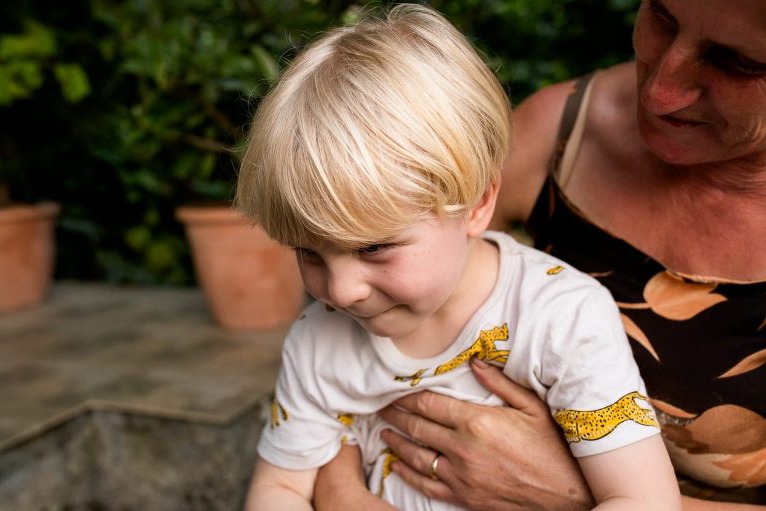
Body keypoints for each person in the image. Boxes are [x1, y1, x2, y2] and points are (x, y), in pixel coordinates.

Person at [312, 0, 766, 509]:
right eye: (662, 17)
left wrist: (575, 491)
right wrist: (333, 478)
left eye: (740, 62)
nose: (661, 91)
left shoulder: (570, 311)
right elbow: (354, 281)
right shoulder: (559, 132)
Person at [235, 4, 682, 510]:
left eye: (374, 247)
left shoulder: (562, 320)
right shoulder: (319, 342)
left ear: (477, 203)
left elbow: (640, 500)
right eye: (308, 252)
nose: (338, 291)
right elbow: (281, 488)